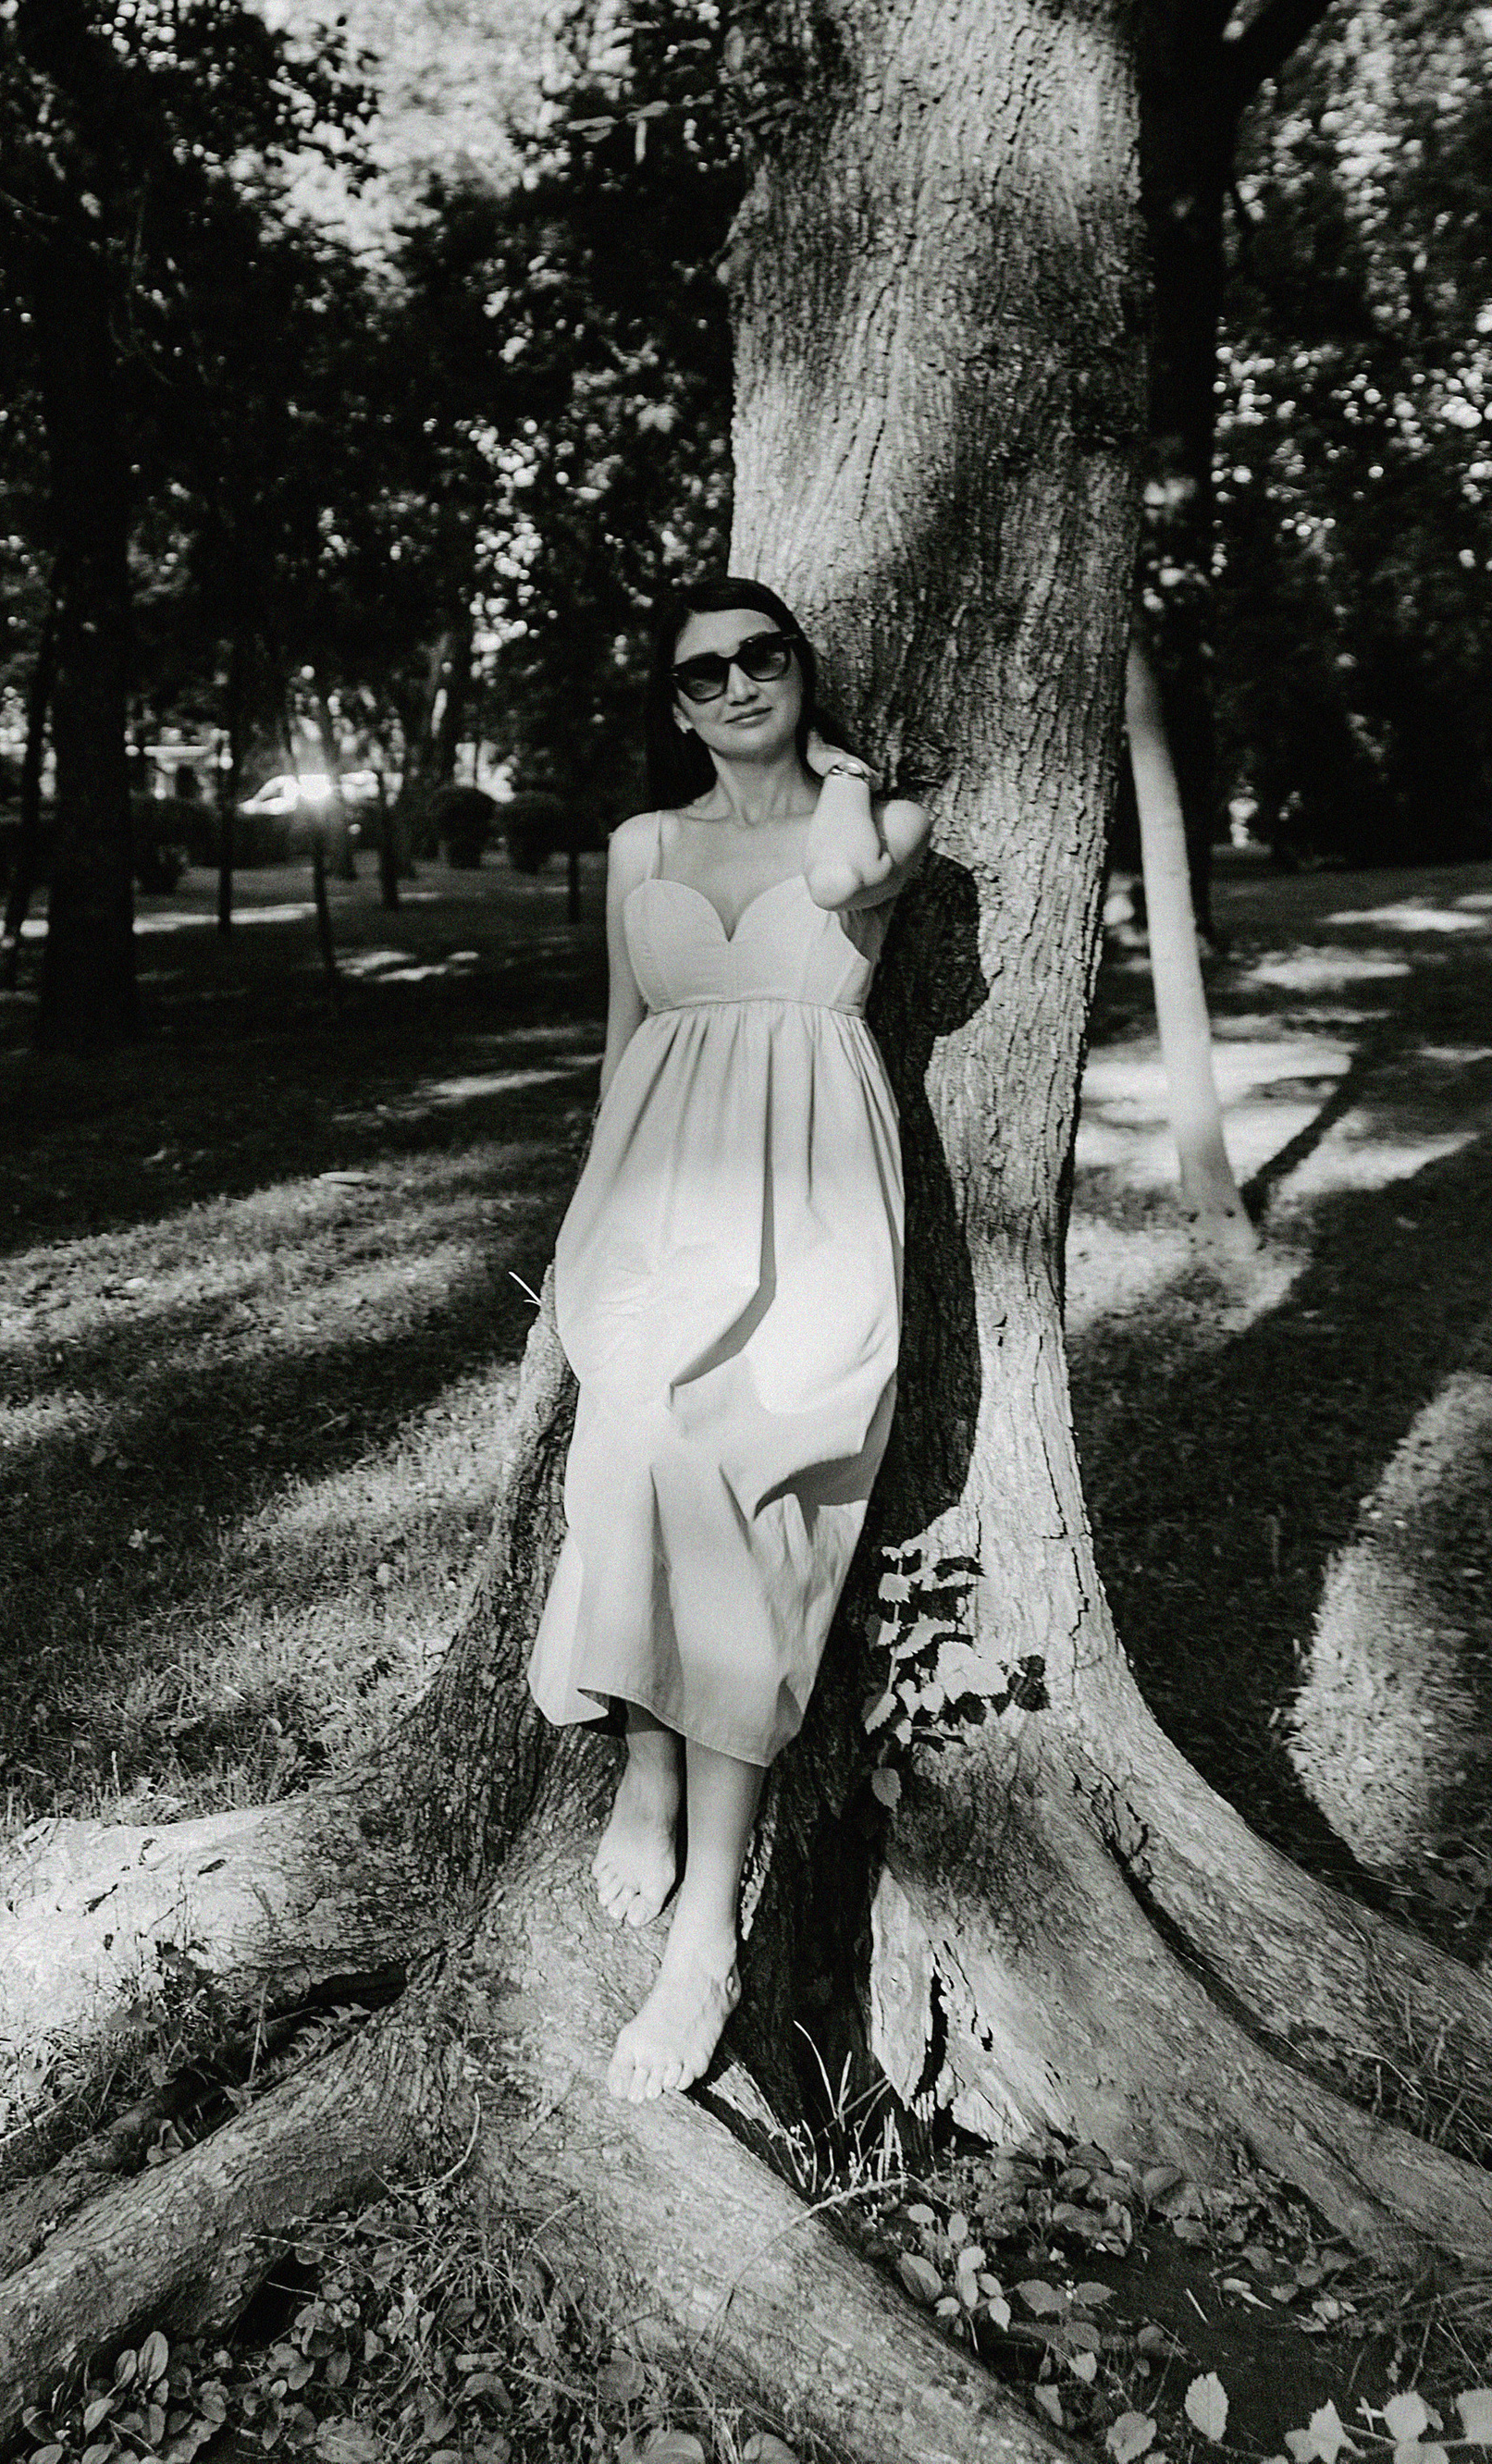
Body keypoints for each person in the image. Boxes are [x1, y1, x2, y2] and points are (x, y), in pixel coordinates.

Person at [526, 573, 931, 2101]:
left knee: (748, 1497)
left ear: (801, 668)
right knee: (632, 1450)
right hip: (656, 1199)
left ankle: (708, 1930)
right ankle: (643, 1763)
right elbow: (624, 1047)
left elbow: (837, 895)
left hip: (816, 1200)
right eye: (705, 675)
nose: (738, 684)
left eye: (765, 658)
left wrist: (838, 773)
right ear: (675, 704)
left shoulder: (879, 826)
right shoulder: (641, 846)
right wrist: (587, 1232)